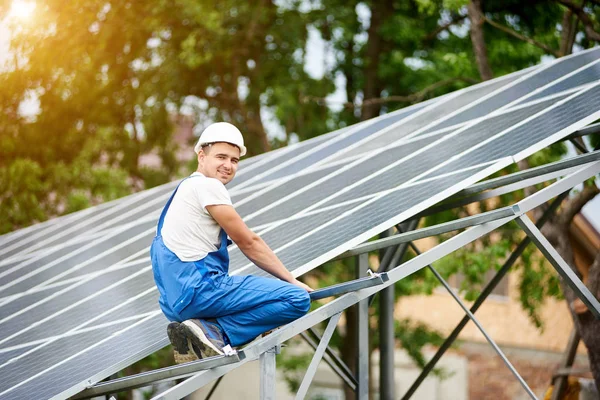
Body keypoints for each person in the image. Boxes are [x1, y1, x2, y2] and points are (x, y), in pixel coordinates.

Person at [150, 122, 313, 363]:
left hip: (174, 306)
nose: (228, 165)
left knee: (255, 301)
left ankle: (205, 331)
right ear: (201, 156)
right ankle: (217, 333)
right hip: (199, 292)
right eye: (221, 157)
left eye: (234, 160)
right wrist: (291, 280)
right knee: (296, 299)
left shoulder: (183, 192)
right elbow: (248, 242)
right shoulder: (207, 186)